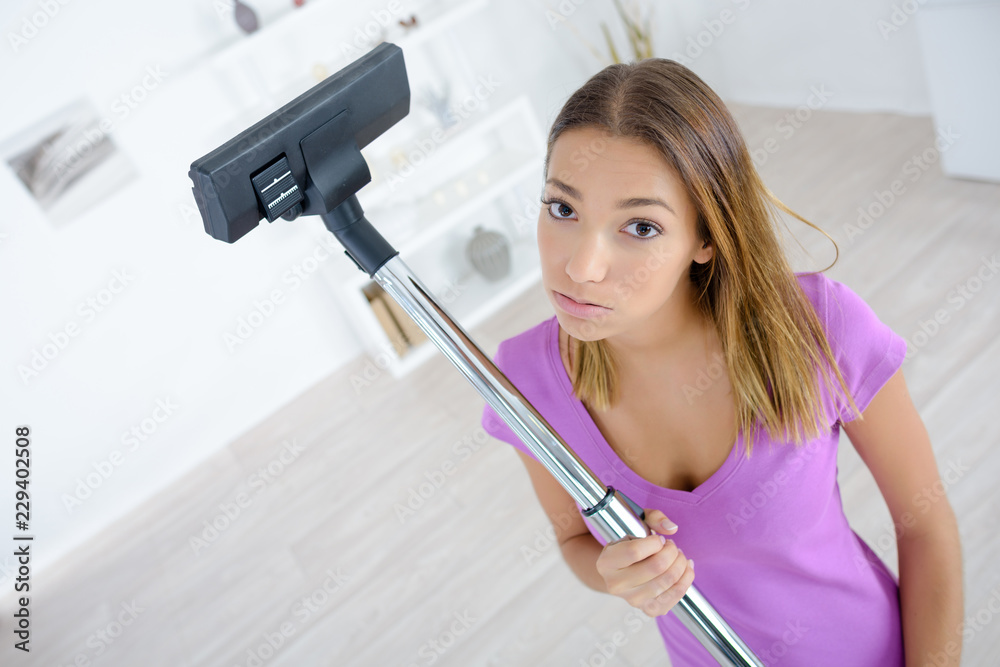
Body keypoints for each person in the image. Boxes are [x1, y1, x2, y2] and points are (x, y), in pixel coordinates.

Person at [480, 58, 963, 666]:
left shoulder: (818, 327)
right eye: (563, 209)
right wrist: (614, 572)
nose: (581, 267)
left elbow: (925, 527)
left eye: (639, 226)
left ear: (706, 238)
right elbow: (576, 542)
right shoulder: (523, 382)